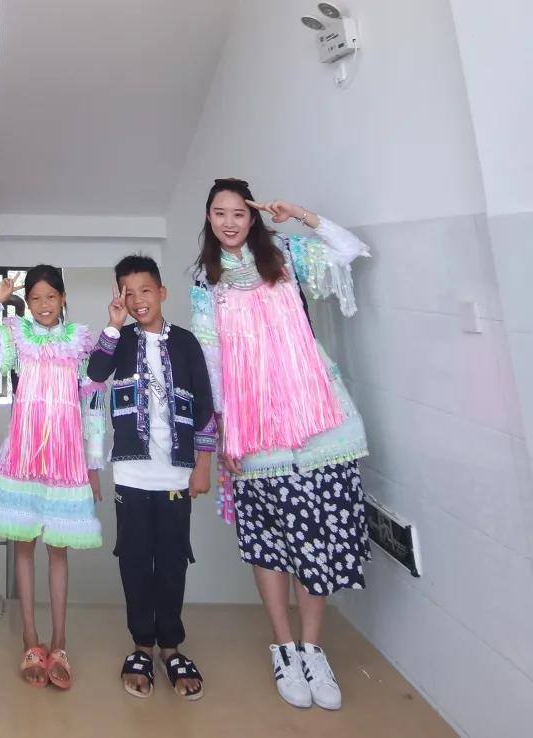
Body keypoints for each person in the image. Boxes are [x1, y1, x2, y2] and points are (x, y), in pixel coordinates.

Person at [190, 178, 370, 710]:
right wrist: (224, 426)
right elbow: (210, 355)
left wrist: (302, 214)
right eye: (219, 213)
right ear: (208, 218)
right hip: (254, 427)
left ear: (253, 217)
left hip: (316, 419)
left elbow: (350, 249)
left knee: (315, 535)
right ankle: (284, 648)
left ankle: (313, 650)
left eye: (238, 213)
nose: (229, 222)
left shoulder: (287, 254)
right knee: (268, 541)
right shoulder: (206, 278)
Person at [0, 264, 104, 690]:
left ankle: (59, 642)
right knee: (23, 549)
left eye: (51, 297)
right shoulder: (15, 335)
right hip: (24, 458)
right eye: (36, 298)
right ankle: (29, 638)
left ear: (63, 299)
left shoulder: (80, 341)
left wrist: (94, 464)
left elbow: (93, 405)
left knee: (59, 552)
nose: (43, 305)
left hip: (66, 461)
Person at [88, 254, 216, 700]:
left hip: (176, 474)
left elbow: (205, 405)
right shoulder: (120, 341)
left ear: (162, 293)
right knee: (135, 559)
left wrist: (203, 465)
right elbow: (95, 373)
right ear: (120, 297)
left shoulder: (186, 343)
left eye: (145, 290)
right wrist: (112, 325)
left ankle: (171, 647)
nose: (137, 299)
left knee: (173, 560)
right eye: (128, 292)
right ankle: (142, 645)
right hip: (131, 472)